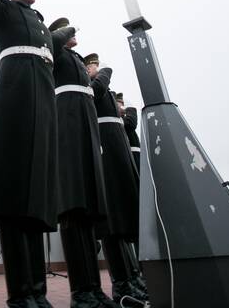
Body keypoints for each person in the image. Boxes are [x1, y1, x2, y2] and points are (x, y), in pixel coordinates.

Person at [0, 0, 57, 308]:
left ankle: (37, 290)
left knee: (34, 200)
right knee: (13, 195)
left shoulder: (38, 20)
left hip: (43, 100)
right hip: (16, 94)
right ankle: (21, 293)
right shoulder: (2, 9)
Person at [49, 18, 118, 308]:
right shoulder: (55, 52)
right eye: (68, 31)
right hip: (68, 131)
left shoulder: (75, 59)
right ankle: (80, 291)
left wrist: (104, 73)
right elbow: (50, 44)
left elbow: (96, 91)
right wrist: (66, 29)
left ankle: (93, 289)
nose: (74, 34)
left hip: (86, 136)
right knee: (73, 212)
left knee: (88, 215)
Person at [84, 54, 146, 305]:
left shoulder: (104, 89)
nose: (95, 69)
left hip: (116, 148)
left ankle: (130, 278)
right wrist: (105, 71)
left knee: (121, 218)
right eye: (91, 66)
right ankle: (121, 282)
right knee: (111, 222)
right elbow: (98, 93)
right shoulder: (93, 87)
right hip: (106, 149)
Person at [115, 93, 141, 174]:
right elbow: (131, 123)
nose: (122, 107)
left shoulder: (123, 119)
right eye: (120, 104)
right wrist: (130, 109)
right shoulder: (117, 120)